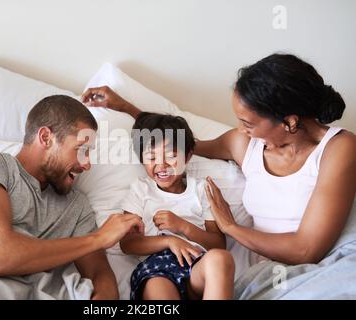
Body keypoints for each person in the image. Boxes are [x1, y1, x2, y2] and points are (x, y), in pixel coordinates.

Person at [82, 53, 356, 272]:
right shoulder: (244, 143)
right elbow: (180, 144)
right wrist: (128, 108)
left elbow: (306, 250)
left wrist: (231, 228)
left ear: (290, 121)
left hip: (323, 267)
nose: (240, 128)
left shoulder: (339, 148)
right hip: (269, 272)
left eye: (248, 123)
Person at [0, 95, 144, 300]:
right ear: (46, 137)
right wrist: (98, 239)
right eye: (81, 149)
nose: (87, 164)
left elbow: (100, 276)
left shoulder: (77, 207)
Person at [119, 112, 235, 300]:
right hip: (158, 269)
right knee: (159, 290)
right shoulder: (141, 190)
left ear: (188, 156)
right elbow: (127, 243)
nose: (162, 165)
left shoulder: (201, 189)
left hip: (197, 264)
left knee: (221, 259)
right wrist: (169, 241)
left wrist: (183, 227)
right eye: (151, 157)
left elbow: (218, 244)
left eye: (171, 156)